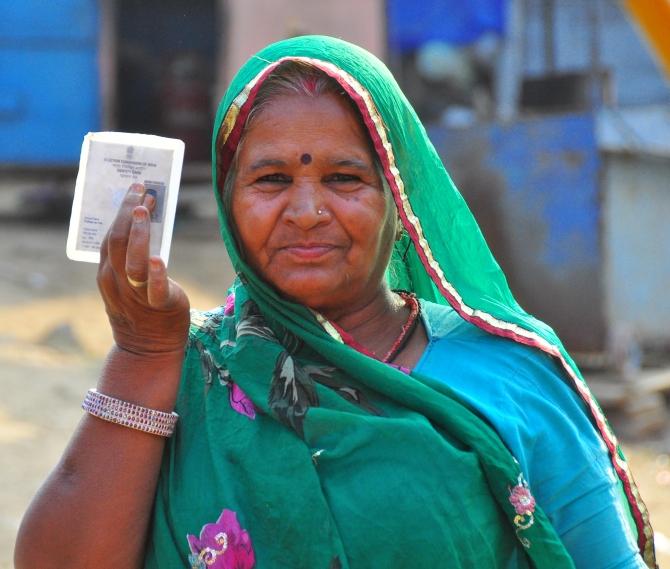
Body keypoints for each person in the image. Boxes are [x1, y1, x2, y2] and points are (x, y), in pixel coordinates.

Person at [16, 36, 655, 569]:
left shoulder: (510, 374)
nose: (307, 211)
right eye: (271, 180)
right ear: (230, 204)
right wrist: (142, 353)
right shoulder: (188, 371)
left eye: (344, 178)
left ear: (400, 203)